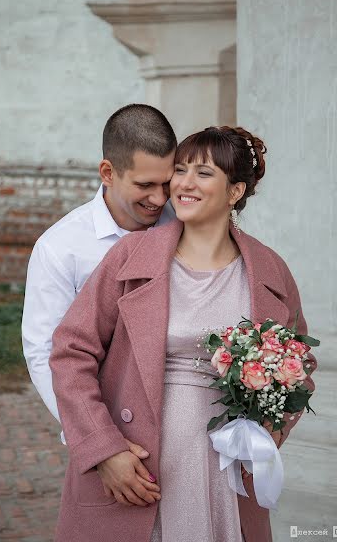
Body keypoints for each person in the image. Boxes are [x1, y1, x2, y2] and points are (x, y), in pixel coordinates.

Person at [49, 126, 317, 542]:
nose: (183, 183)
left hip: (226, 466)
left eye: (204, 173)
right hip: (140, 460)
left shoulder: (269, 270)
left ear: (234, 192)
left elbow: (299, 364)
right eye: (180, 169)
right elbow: (71, 352)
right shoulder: (131, 255)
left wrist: (269, 432)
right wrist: (104, 450)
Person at [22, 103, 177, 425]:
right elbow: (44, 352)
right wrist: (91, 436)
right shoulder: (59, 248)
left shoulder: (187, 226)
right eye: (145, 185)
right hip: (105, 416)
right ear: (108, 173)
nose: (160, 199)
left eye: (167, 183)